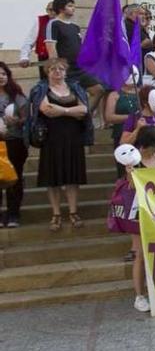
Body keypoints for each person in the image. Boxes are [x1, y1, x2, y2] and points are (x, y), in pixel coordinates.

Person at [33, 58, 93, 231]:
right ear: (47, 72)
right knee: (53, 179)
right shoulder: (41, 88)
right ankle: (56, 213)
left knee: (72, 177)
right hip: (51, 138)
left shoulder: (75, 88)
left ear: (66, 72)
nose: (57, 72)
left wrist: (62, 110)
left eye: (60, 69)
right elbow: (46, 110)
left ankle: (73, 212)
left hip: (73, 137)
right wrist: (71, 112)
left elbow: (84, 110)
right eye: (53, 69)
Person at [108, 127, 155, 313]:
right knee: (140, 253)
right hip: (136, 211)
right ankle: (139, 295)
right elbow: (131, 185)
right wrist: (131, 173)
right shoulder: (132, 159)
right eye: (153, 146)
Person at [44, 0, 104, 113]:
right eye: (70, 6)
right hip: (66, 69)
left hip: (80, 68)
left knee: (98, 90)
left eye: (73, 6)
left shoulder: (75, 27)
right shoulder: (54, 24)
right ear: (61, 8)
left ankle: (85, 115)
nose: (73, 9)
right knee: (68, 98)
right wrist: (57, 68)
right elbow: (51, 48)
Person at [0, 62, 28, 227]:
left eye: (3, 74)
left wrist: (17, 121)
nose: (1, 77)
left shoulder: (16, 95)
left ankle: (13, 214)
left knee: (14, 178)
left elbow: (26, 118)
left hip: (14, 142)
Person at [104, 68, 141, 176]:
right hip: (121, 134)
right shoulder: (114, 95)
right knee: (124, 169)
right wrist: (131, 117)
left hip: (141, 133)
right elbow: (109, 117)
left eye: (134, 74)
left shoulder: (143, 93)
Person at [18, 1, 54, 69]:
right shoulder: (40, 21)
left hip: (61, 58)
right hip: (44, 57)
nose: (53, 12)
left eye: (55, 9)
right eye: (50, 10)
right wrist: (24, 57)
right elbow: (29, 40)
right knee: (45, 79)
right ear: (47, 10)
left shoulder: (65, 21)